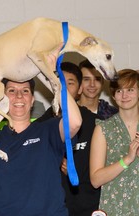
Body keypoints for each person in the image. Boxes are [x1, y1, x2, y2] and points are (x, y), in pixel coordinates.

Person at [0, 44, 82, 216]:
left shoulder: (48, 129)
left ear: (32, 100)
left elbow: (75, 122)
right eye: (11, 91)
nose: (18, 96)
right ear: (1, 98)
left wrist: (50, 75)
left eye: (25, 91)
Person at [37, 62, 100, 216]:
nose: (62, 88)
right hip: (50, 207)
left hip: (87, 206)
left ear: (80, 89)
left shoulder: (95, 124)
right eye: (58, 82)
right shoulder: (39, 127)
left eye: (69, 83)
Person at [90, 69, 139, 215]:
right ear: (113, 95)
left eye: (130, 89)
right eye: (119, 91)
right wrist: (127, 160)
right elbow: (95, 180)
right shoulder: (103, 129)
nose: (124, 95)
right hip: (115, 208)